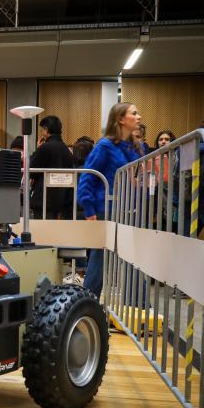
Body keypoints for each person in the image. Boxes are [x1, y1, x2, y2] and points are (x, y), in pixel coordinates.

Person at [78, 102, 143, 298]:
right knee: (99, 258)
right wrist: (88, 209)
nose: (139, 117)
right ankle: (88, 301)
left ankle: (137, 304)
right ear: (121, 119)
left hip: (124, 208)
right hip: (105, 208)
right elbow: (87, 177)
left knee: (132, 257)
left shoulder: (132, 146)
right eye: (134, 113)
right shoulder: (105, 145)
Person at [29, 115, 74, 219]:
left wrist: (37, 150)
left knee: (41, 231)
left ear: (46, 129)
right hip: (61, 200)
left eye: (42, 130)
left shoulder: (45, 148)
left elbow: (32, 171)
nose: (41, 133)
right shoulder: (66, 149)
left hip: (43, 199)